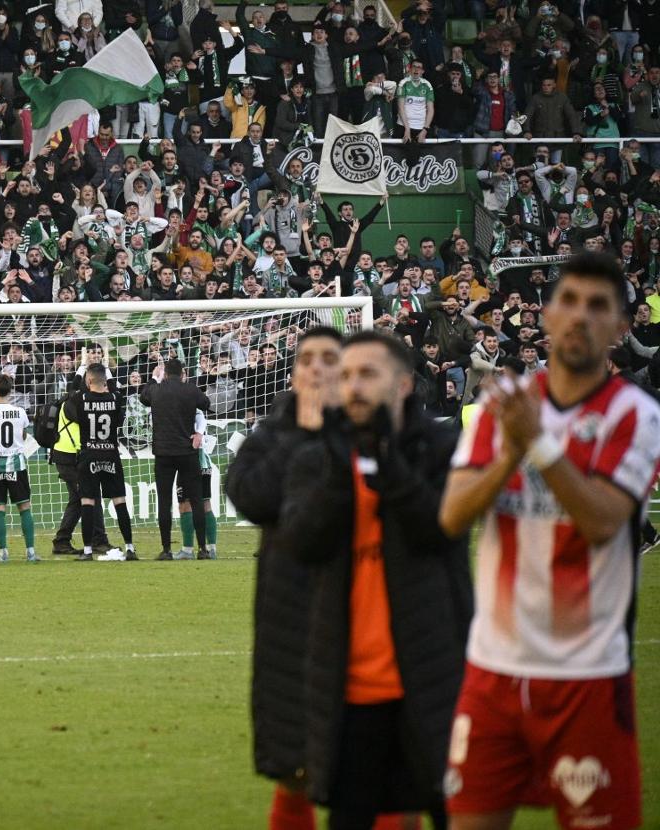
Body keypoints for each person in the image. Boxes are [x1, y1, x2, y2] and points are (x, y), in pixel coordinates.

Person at [440, 252, 660, 830]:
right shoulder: (502, 407)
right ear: (547, 314)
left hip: (587, 678)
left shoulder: (635, 415)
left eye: (599, 306)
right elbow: (453, 516)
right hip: (492, 672)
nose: (581, 317)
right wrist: (512, 450)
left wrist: (538, 446)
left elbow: (603, 522)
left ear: (622, 327)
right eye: (570, 301)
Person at [274, 331, 471, 829]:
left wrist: (390, 463)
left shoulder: (442, 449)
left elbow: (437, 530)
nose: (353, 386)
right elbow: (302, 541)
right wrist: (344, 469)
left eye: (367, 374)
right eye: (345, 377)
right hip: (350, 691)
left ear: (404, 383)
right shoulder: (317, 458)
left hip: (432, 683)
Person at [228, 326, 344, 830]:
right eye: (307, 360)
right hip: (290, 608)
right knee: (292, 760)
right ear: (294, 373)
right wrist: (305, 432)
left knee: (377, 771)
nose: (316, 368)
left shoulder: (371, 431)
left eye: (328, 360)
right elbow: (249, 497)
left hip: (358, 604)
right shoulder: (273, 431)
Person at [63, 363, 136, 561]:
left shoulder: (81, 398)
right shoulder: (115, 398)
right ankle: (130, 548)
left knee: (87, 502)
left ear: (88, 380)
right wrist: (109, 375)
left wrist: (80, 370)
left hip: (89, 456)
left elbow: (71, 391)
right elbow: (115, 388)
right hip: (111, 455)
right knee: (119, 501)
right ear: (105, 381)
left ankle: (87, 551)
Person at [140, 358, 210, 560]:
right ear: (182, 373)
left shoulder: (156, 389)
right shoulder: (190, 389)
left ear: (165, 373)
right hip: (187, 451)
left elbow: (143, 398)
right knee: (196, 500)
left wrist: (154, 379)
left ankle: (166, 549)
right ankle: (203, 549)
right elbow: (206, 404)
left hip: (163, 453)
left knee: (164, 501)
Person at [0, 374, 37, 563]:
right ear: (10, 391)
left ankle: (3, 552)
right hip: (16, 464)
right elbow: (24, 434)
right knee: (24, 506)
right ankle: (30, 552)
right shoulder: (19, 412)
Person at [176, 410, 217, 559]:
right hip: (204, 459)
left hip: (190, 459)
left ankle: (187, 550)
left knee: (185, 504)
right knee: (205, 504)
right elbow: (201, 419)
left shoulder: (180, 403)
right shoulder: (195, 406)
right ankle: (212, 549)